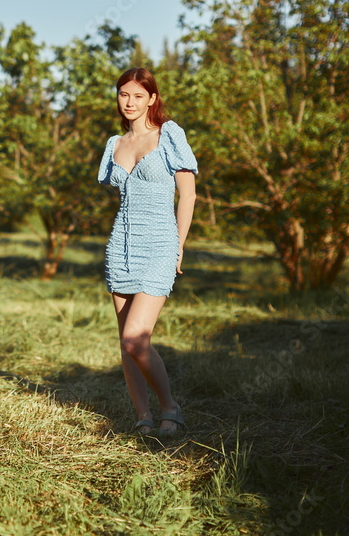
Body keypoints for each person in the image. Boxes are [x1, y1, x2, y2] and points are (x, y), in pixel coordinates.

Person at [97, 67, 198, 436]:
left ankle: (170, 406)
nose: (130, 102)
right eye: (124, 94)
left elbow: (187, 194)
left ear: (152, 99)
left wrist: (179, 245)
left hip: (159, 244)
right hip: (121, 246)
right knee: (126, 343)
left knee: (135, 337)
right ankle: (143, 415)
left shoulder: (169, 135)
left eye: (139, 96)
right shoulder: (115, 145)